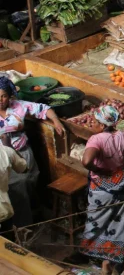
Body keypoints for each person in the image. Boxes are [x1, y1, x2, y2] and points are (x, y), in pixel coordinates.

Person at [79, 105, 124, 267]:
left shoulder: (96, 139)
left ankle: (94, 254)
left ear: (101, 124)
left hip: (102, 189)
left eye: (94, 121)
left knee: (96, 218)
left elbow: (86, 162)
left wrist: (100, 170)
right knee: (120, 220)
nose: (91, 123)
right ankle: (114, 254)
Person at [0, 77, 64, 228]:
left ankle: (34, 213)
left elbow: (43, 109)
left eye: (3, 96)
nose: (0, 100)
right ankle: (22, 224)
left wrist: (56, 121)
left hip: (23, 152)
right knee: (14, 190)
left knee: (30, 181)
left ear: (9, 96)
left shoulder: (18, 107)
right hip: (4, 159)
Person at [0, 139, 26, 231]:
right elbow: (24, 168)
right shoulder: (6, 151)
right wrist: (10, 147)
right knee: (7, 243)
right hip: (4, 212)